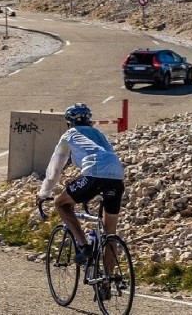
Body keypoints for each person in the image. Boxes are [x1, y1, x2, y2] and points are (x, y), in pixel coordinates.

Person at [36, 103, 125, 266]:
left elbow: (55, 168)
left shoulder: (69, 134)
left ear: (68, 123)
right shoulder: (99, 133)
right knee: (110, 233)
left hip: (93, 174)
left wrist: (43, 193)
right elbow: (106, 156)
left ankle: (84, 246)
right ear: (89, 120)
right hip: (117, 175)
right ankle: (108, 282)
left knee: (60, 203)